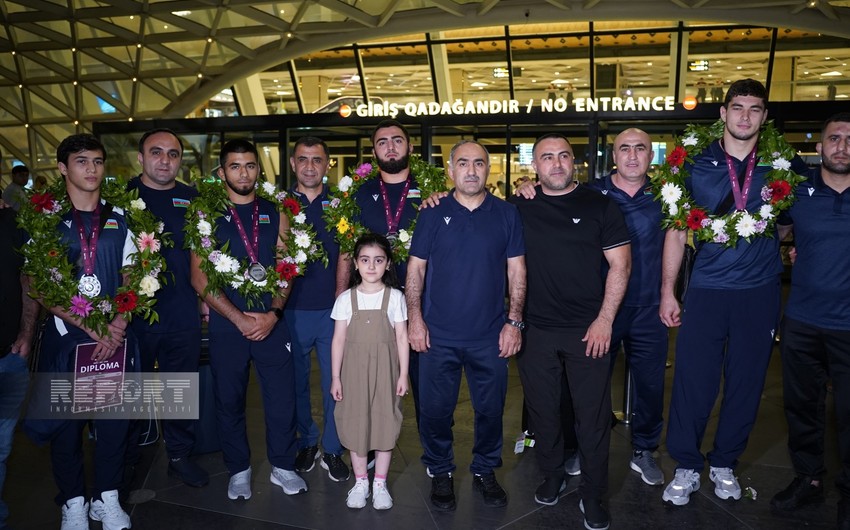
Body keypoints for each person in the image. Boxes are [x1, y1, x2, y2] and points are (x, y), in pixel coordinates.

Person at [659, 79, 807, 507]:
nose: (745, 116)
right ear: (722, 113)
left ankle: (724, 462)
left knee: (746, 382)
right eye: (737, 107)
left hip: (759, 292)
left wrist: (795, 245)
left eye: (755, 109)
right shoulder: (692, 161)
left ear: (764, 116)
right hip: (705, 290)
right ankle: (686, 465)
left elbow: (793, 218)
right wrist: (668, 292)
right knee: (693, 381)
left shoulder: (783, 162)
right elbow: (675, 228)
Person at [510, 133, 630, 530]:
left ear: (574, 161)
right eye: (547, 157)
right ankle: (553, 473)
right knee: (544, 412)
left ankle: (593, 494)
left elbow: (620, 266)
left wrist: (604, 320)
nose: (556, 163)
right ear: (535, 166)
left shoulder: (600, 204)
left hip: (587, 330)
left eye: (563, 156)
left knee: (592, 417)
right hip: (535, 329)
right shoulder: (519, 206)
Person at [406, 140, 526, 511]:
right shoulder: (431, 212)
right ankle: (440, 471)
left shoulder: (506, 214)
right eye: (463, 163)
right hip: (437, 336)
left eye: (478, 163)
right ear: (450, 169)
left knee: (490, 411)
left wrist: (514, 322)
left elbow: (517, 270)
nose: (471, 170)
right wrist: (415, 319)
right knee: (435, 411)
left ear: (488, 169)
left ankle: (485, 470)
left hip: (489, 336)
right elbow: (416, 269)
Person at [26, 134, 134, 529]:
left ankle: (107, 497)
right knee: (66, 427)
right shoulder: (48, 219)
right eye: (82, 161)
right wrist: (92, 327)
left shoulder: (122, 218)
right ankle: (72, 501)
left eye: (98, 162)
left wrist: (118, 326)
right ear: (62, 168)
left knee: (111, 423)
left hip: (113, 339)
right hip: (67, 337)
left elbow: (135, 276)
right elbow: (38, 284)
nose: (92, 169)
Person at [190, 139, 306, 501]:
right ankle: (239, 469)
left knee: (282, 399)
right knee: (229, 399)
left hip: (272, 322)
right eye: (236, 166)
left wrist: (273, 314)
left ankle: (283, 466)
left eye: (251, 165)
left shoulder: (276, 210)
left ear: (259, 169)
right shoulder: (205, 214)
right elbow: (199, 276)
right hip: (229, 324)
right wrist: (239, 319)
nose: (244, 173)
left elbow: (287, 267)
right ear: (222, 172)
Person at [771, 113, 850, 528]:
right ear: (819, 148)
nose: (843, 146)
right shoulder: (797, 194)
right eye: (834, 138)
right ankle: (808, 480)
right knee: (802, 408)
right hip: (801, 321)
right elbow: (776, 236)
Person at [126, 128, 207, 487]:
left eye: (173, 154)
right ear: (141, 158)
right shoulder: (119, 197)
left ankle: (179, 455)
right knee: (128, 392)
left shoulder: (193, 199)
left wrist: (204, 300)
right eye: (156, 152)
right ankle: (125, 456)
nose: (164, 160)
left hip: (181, 312)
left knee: (179, 388)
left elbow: (204, 255)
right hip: (129, 315)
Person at [591, 129, 667, 486]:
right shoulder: (592, 193)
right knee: (591, 381)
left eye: (641, 149)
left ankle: (644, 449)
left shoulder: (667, 196)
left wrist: (670, 293)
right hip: (602, 309)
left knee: (650, 384)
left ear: (651, 156)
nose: (633, 155)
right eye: (625, 148)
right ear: (613, 155)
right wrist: (528, 187)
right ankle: (586, 445)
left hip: (649, 307)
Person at [337, 119, 423, 427]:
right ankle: (370, 451)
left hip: (422, 304)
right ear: (374, 150)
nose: (390, 146)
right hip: (372, 303)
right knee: (369, 381)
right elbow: (347, 248)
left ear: (410, 146)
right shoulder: (361, 194)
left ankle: (435, 458)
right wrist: (340, 299)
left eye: (397, 140)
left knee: (425, 385)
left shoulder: (431, 191)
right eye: (382, 141)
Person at [286, 137, 350, 482]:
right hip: (291, 311)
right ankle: (307, 441)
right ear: (294, 164)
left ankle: (333, 447)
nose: (310, 166)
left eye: (317, 160)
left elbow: (348, 250)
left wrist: (342, 297)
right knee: (295, 382)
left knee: (335, 383)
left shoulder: (341, 204)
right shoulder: (278, 205)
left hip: (332, 311)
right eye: (303, 160)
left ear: (328, 165)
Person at [330, 233, 409, 510]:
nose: (371, 266)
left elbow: (401, 338)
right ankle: (361, 480)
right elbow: (338, 340)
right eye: (365, 260)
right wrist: (336, 377)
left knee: (385, 422)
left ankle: (380, 483)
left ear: (388, 264)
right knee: (355, 422)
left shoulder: (396, 297)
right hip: (353, 373)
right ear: (355, 263)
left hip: (386, 372)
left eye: (378, 260)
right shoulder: (345, 300)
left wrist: (403, 374)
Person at [0, 155, 39, 529]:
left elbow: (29, 283)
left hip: (9, 355)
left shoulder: (14, 223)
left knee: (1, 448)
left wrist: (27, 333)